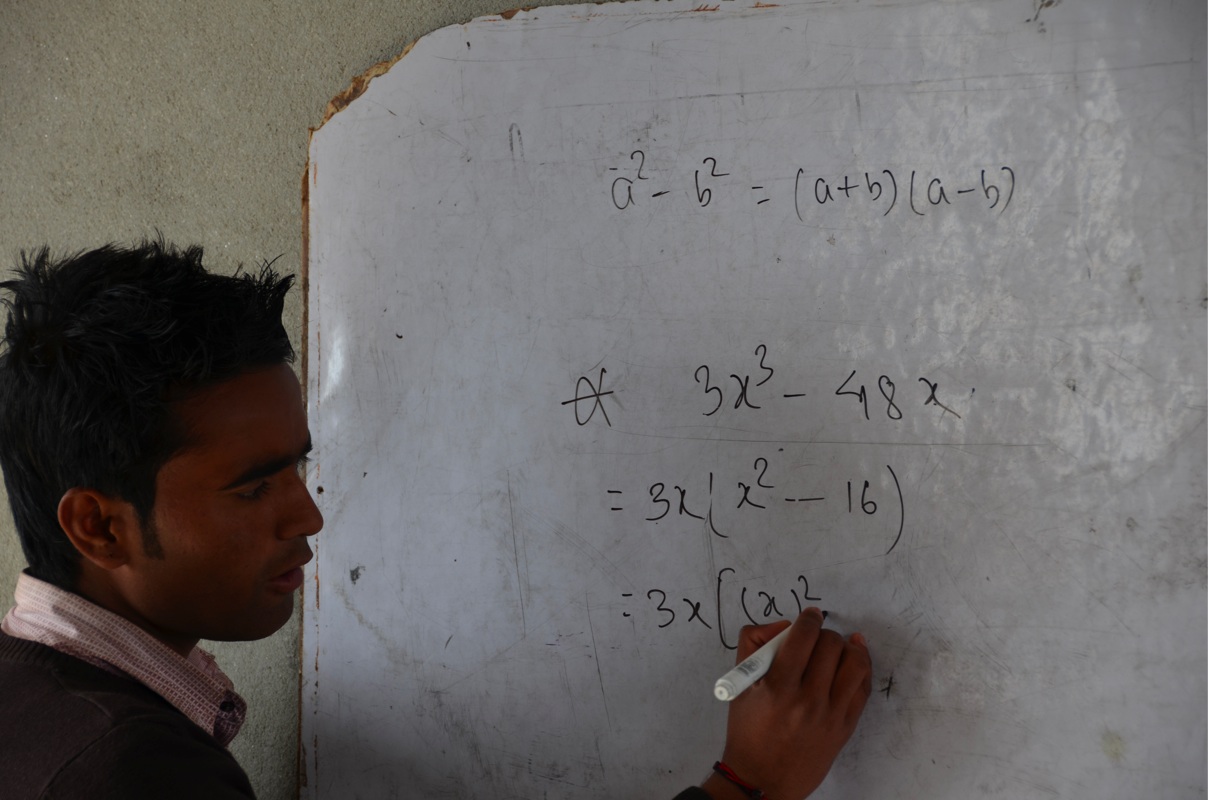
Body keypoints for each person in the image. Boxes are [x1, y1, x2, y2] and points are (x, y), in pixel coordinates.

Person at [0, 239, 871, 799]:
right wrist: (749, 785)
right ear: (100, 528)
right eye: (254, 488)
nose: (308, 515)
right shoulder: (126, 772)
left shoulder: (40, 700)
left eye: (299, 468)